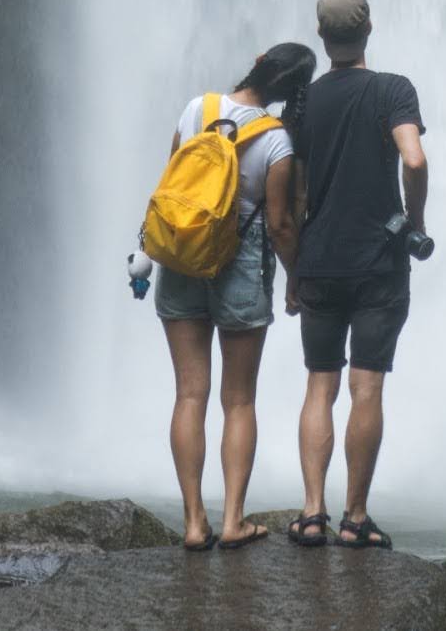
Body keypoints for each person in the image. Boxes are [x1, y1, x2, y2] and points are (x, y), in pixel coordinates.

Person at [153, 42, 317, 551]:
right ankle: (234, 521)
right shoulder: (277, 142)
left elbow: (172, 185)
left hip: (182, 259)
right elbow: (280, 225)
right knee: (239, 399)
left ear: (258, 62)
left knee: (189, 394)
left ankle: (194, 523)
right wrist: (296, 278)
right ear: (293, 94)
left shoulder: (195, 108)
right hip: (241, 266)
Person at [286, 0, 428, 550]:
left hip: (318, 262)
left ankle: (312, 513)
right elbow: (413, 158)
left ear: (322, 38)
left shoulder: (303, 104)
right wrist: (413, 220)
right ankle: (354, 518)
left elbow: (293, 196)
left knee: (320, 385)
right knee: (366, 388)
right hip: (378, 264)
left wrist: (293, 274)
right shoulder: (393, 89)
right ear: (368, 31)